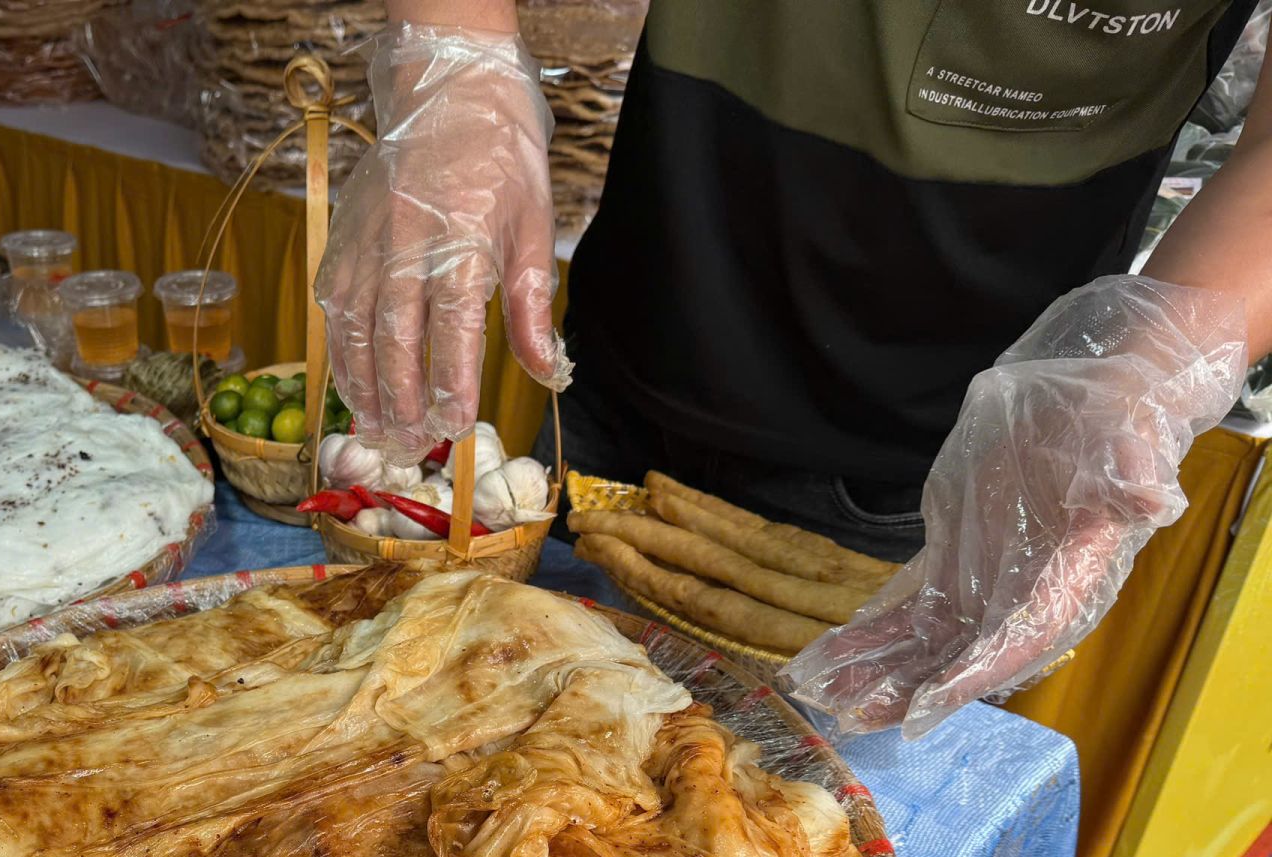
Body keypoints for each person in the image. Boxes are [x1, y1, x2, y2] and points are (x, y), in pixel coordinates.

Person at [316, 0, 1271, 736]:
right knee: (489, 735)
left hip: (957, 460)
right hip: (631, 345)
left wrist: (1150, 367)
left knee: (794, 844)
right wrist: (453, 52)